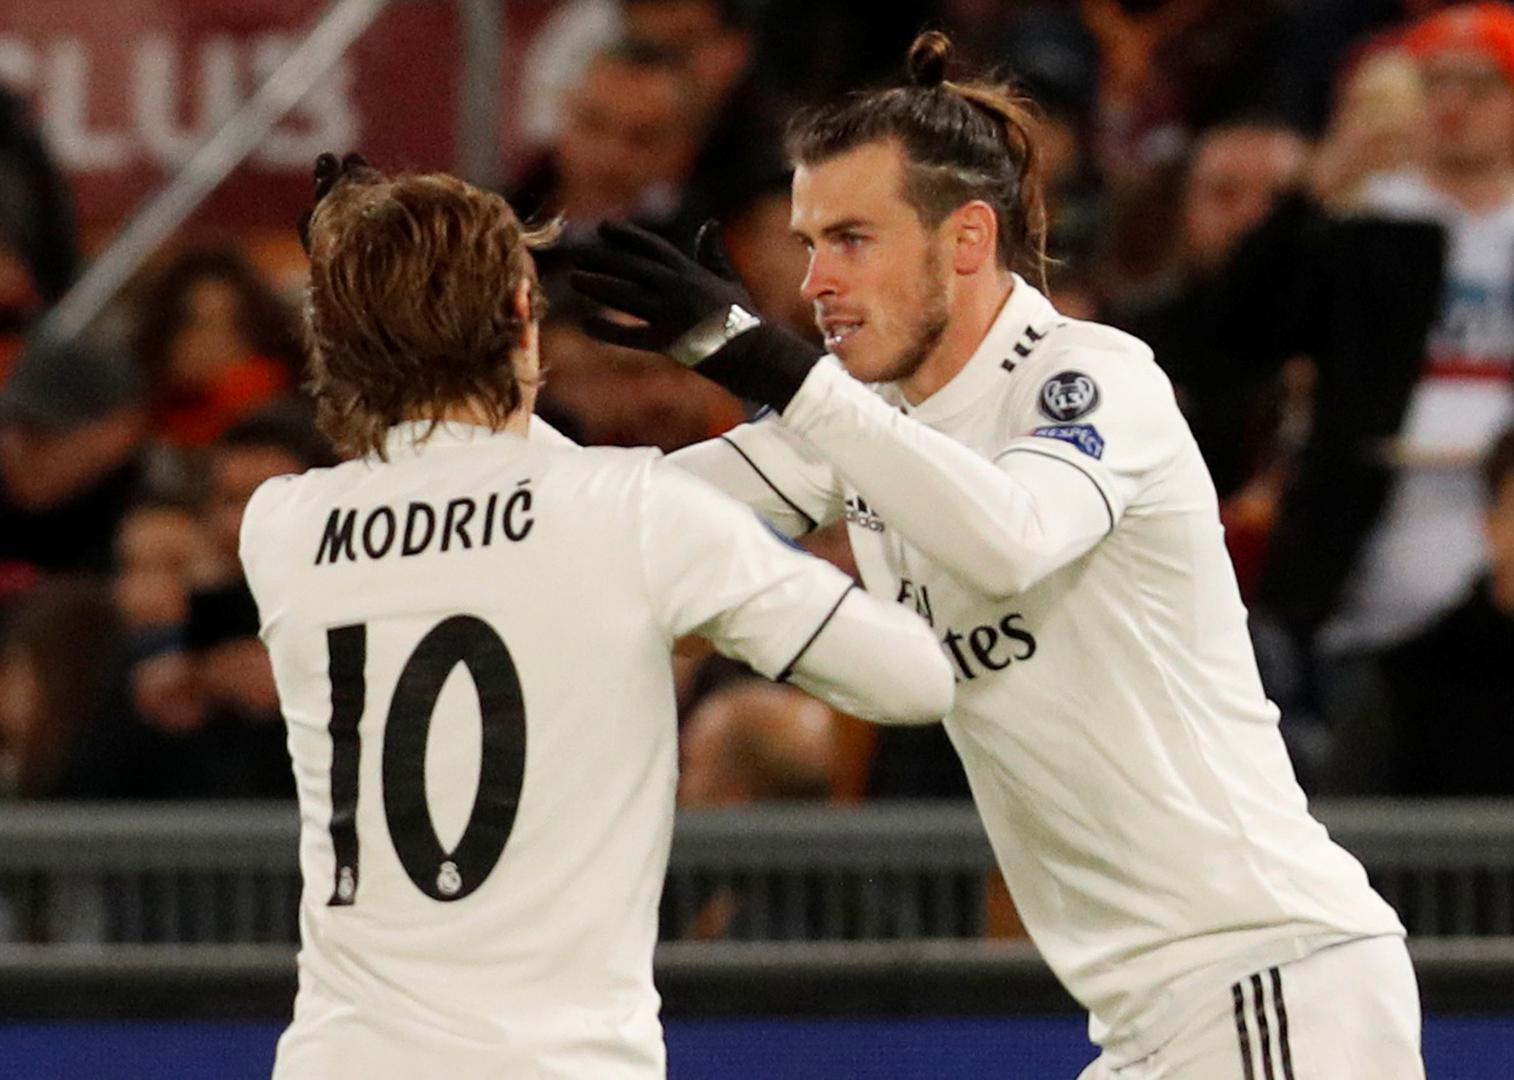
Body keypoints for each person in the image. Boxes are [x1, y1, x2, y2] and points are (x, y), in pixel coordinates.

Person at [572, 30, 1421, 1079]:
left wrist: (780, 372)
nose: (815, 282)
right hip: (1157, 1020)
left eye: (851, 239)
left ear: (967, 238)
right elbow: (621, 517)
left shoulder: (1094, 379)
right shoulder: (864, 421)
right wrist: (463, 413)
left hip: (1269, 977)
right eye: (807, 244)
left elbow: (1011, 539)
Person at [244, 154, 953, 1079]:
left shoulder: (283, 525)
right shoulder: (634, 511)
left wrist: (370, 289)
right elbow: (915, 680)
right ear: (523, 314)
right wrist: (752, 359)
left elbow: (473, 480)